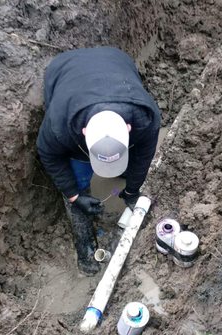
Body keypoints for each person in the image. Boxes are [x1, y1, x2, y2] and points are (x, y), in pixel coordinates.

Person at [37, 47, 161, 275]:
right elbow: (50, 156)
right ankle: (85, 251)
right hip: (63, 70)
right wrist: (75, 196)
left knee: (133, 161)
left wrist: (133, 191)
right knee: (77, 184)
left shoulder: (146, 118)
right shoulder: (59, 126)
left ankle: (122, 173)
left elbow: (143, 156)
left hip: (115, 59)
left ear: (128, 128)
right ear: (83, 132)